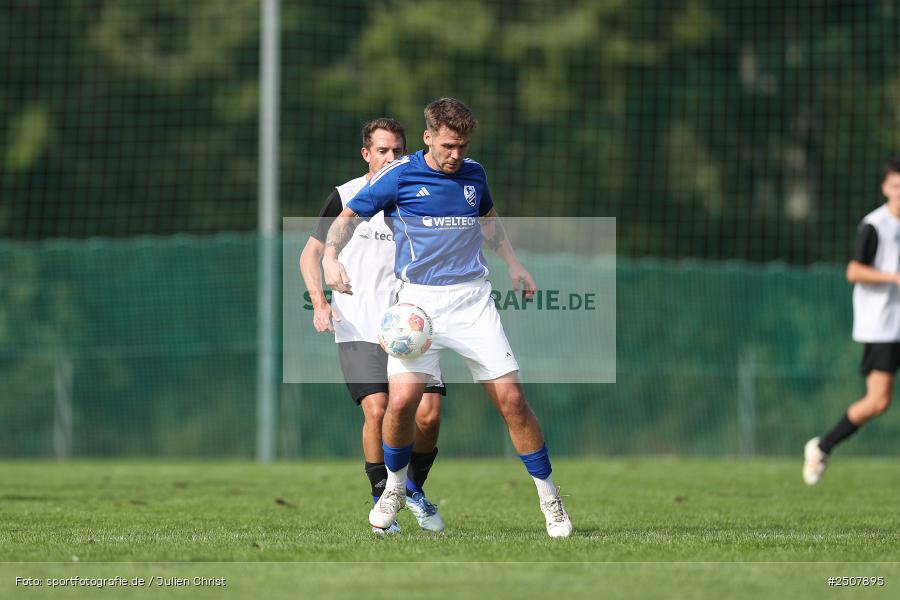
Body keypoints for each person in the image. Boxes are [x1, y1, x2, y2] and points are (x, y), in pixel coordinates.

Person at [323, 98, 573, 537]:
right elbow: (346, 219)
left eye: (462, 145)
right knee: (400, 404)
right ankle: (396, 488)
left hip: (472, 301)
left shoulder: (475, 173)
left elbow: (489, 220)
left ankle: (550, 499)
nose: (456, 154)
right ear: (428, 137)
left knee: (512, 400)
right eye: (448, 145)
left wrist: (513, 264)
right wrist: (330, 257)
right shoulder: (398, 176)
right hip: (416, 308)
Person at [299, 118, 446, 532]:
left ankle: (410, 491)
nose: (392, 158)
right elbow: (309, 256)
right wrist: (319, 302)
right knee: (378, 409)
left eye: (398, 151)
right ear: (367, 154)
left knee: (429, 416)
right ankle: (382, 496)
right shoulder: (345, 196)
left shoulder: (419, 195)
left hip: (413, 323)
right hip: (359, 324)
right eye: (383, 151)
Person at [803, 158, 900, 485]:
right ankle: (823, 446)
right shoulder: (874, 226)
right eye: (896, 186)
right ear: (885, 188)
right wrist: (894, 278)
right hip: (883, 325)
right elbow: (853, 271)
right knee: (878, 401)